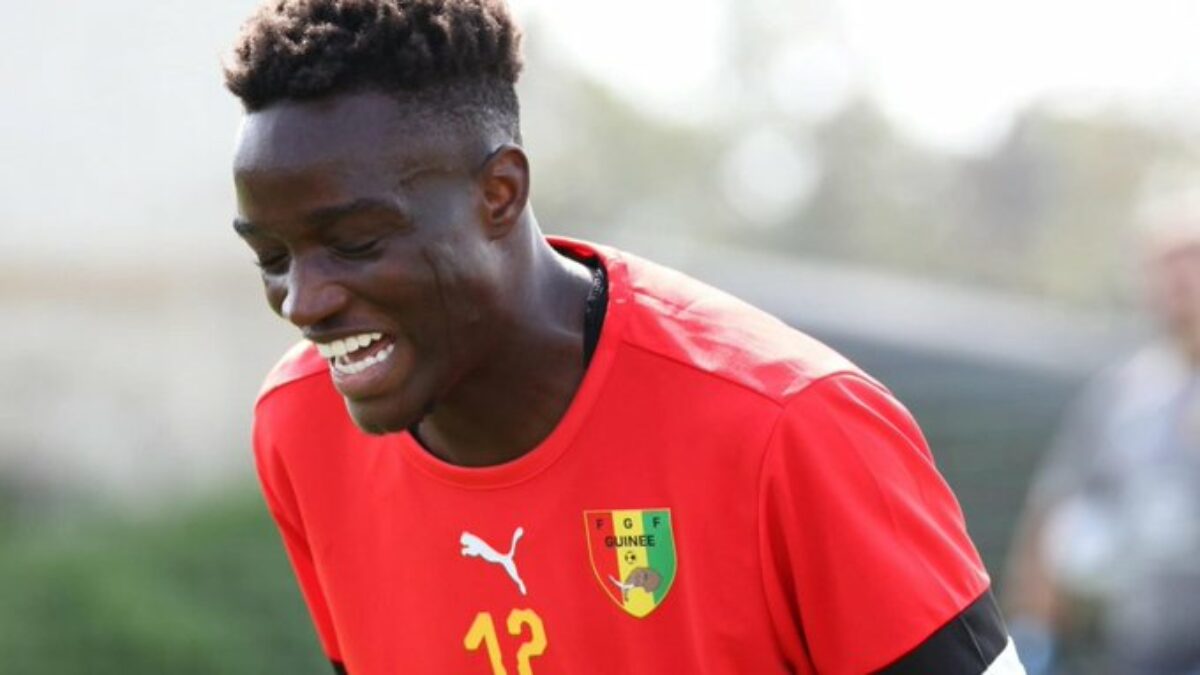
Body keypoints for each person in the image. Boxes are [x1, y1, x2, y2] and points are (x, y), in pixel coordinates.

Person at [224, 1, 1025, 673]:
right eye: (272, 257)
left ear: (499, 193)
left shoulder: (796, 427)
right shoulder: (299, 426)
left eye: (357, 243)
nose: (304, 300)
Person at [1005, 214, 1200, 675]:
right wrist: (1034, 623)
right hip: (1138, 635)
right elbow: (1056, 500)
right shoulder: (1122, 391)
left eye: (1192, 262)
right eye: (1165, 268)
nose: (1179, 281)